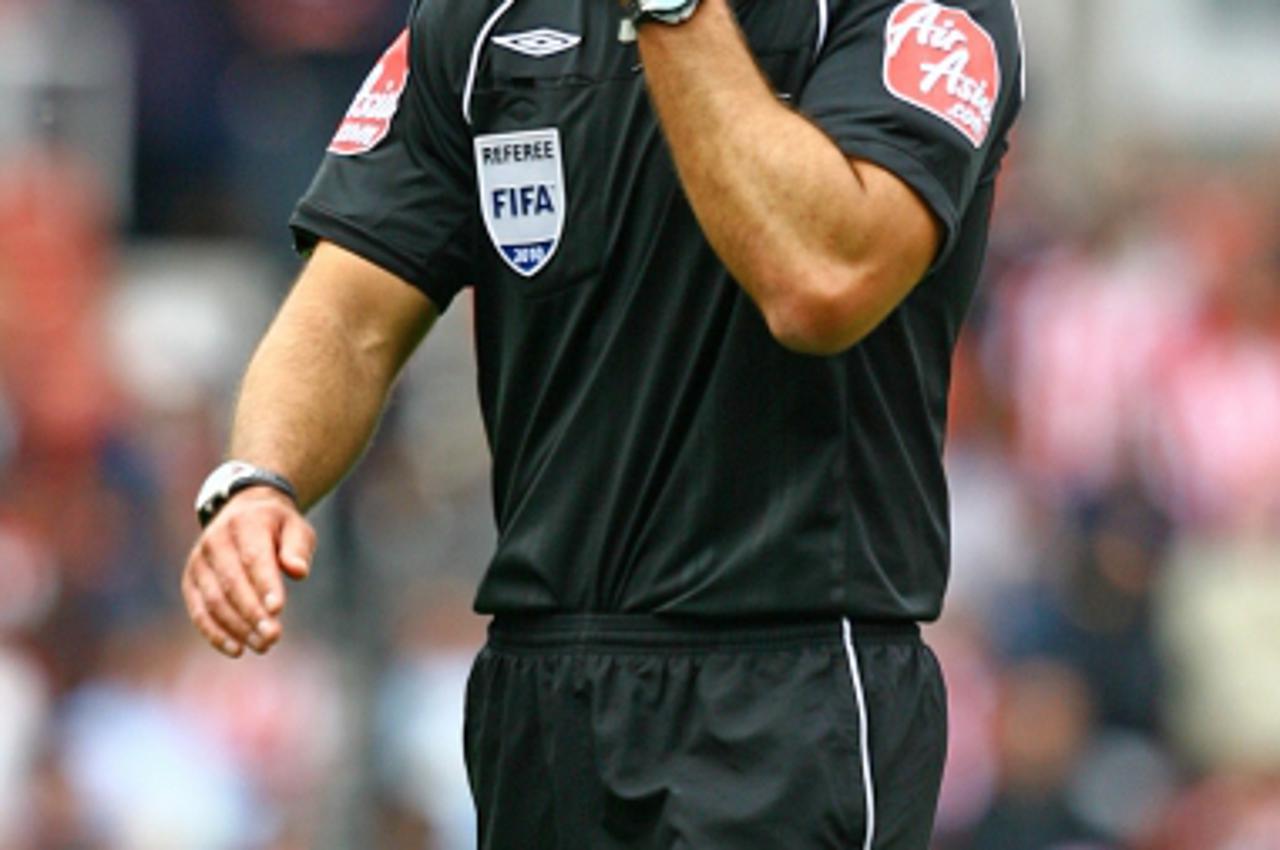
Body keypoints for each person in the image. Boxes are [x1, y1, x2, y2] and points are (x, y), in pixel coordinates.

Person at [181, 0, 1024, 847]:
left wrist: (671, 6)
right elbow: (349, 313)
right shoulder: (478, 19)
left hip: (790, 687)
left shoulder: (923, 9)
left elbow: (821, 280)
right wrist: (258, 477)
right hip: (541, 694)